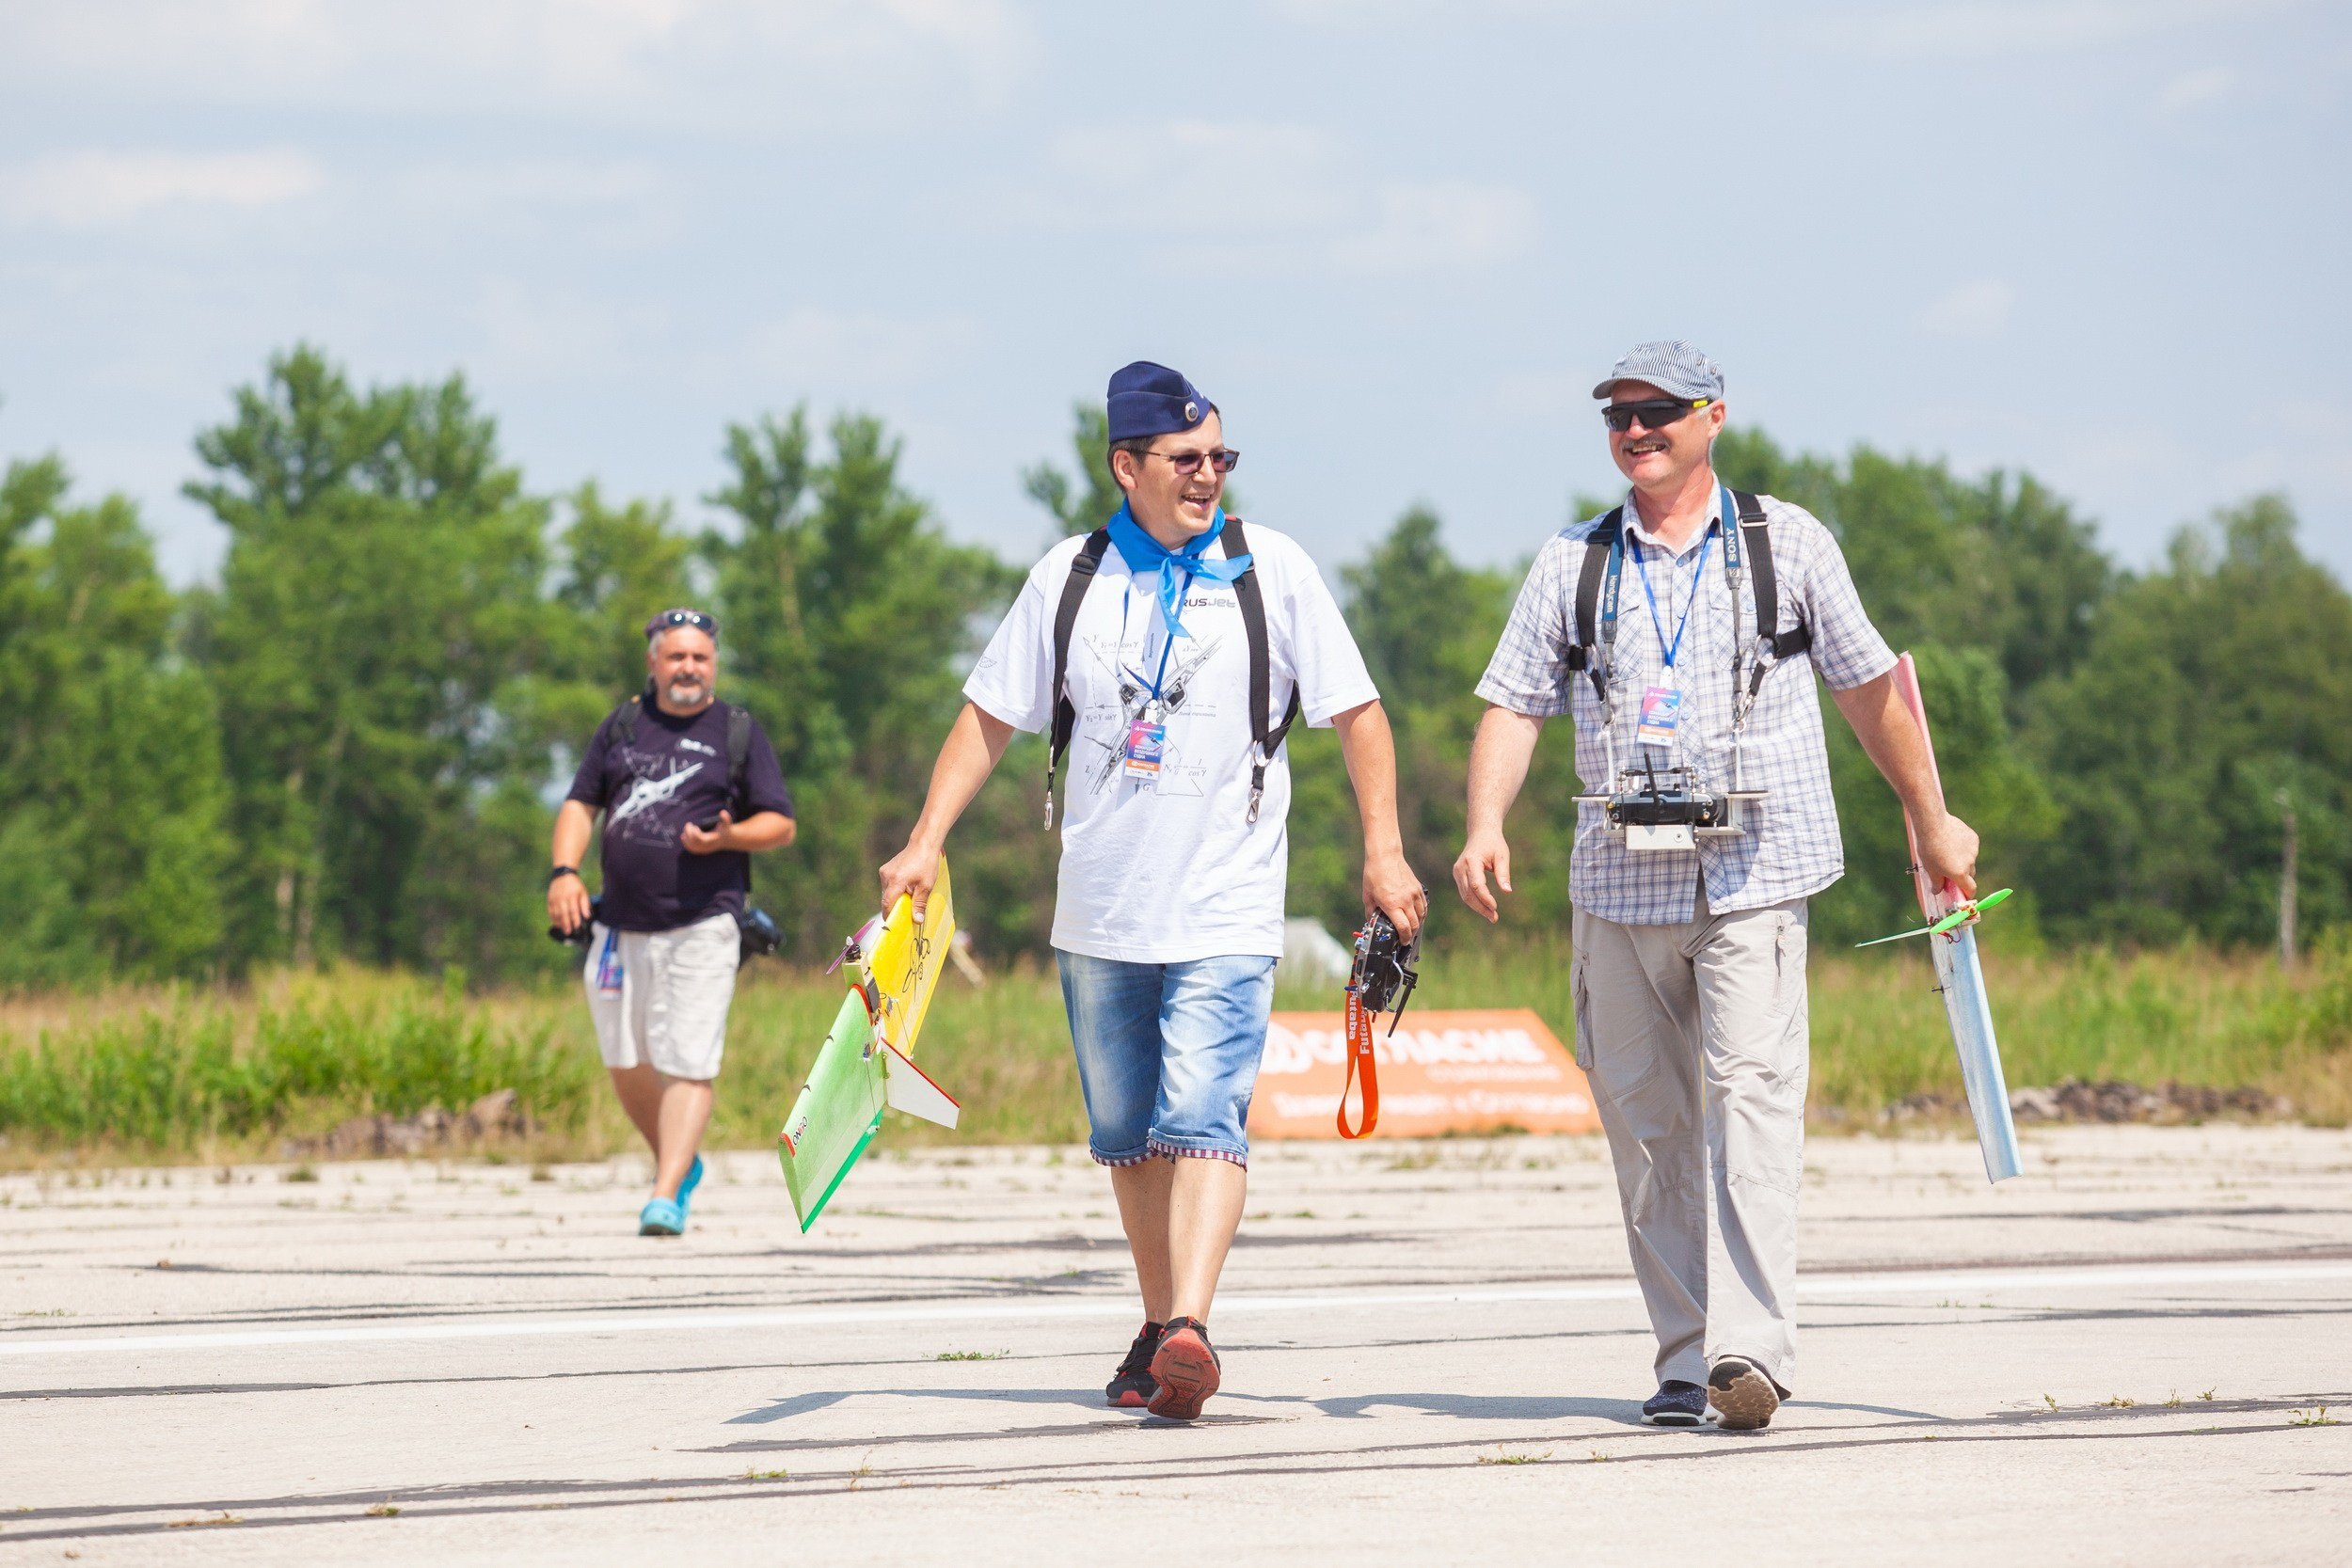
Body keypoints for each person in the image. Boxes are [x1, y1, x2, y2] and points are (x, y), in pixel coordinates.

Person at [878, 362, 1424, 1420]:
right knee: (1128, 1133)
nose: (1208, 475)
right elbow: (988, 717)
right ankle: (1158, 1316)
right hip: (1101, 908)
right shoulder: (1068, 579)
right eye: (1186, 459)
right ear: (1125, 466)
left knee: (1202, 1115)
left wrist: (1385, 849)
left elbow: (1358, 712)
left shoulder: (1273, 570)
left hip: (1227, 903)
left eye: (1221, 456)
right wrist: (922, 841)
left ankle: (1192, 1326)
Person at [1453, 342, 1980, 1432]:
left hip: (1758, 869)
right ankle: (1687, 1356)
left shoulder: (1785, 544)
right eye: (1618, 416)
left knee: (1750, 1102)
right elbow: (1513, 701)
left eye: (1658, 412)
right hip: (1615, 880)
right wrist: (1482, 823)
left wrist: (1931, 818)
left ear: (1713, 416)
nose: (1636, 431)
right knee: (1647, 1127)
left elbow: (1870, 686)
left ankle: (1750, 1348)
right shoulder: (1572, 561)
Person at [549, 609, 797, 1237]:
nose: (688, 667)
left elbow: (781, 824)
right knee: (625, 1057)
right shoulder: (623, 725)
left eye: (700, 657)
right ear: (653, 663)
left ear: (713, 664)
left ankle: (665, 1195)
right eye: (676, 656)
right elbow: (581, 803)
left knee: (688, 1057)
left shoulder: (736, 731)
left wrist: (729, 837)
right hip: (619, 926)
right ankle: (680, 1161)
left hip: (704, 921)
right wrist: (564, 872)